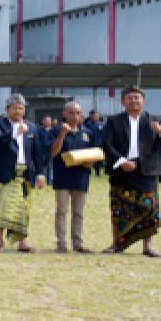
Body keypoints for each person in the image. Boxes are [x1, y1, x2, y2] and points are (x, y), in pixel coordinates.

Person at [101, 86, 161, 257]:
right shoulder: (113, 121)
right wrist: (121, 161)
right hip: (122, 169)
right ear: (123, 101)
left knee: (149, 208)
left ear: (143, 101)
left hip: (147, 171)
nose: (133, 101)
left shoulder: (155, 120)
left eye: (137, 98)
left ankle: (148, 246)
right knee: (119, 208)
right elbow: (106, 144)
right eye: (129, 98)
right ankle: (116, 244)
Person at [0, 94, 47, 252]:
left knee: (23, 208)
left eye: (21, 108)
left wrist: (40, 173)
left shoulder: (32, 127)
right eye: (15, 108)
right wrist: (15, 132)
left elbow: (37, 153)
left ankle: (22, 243)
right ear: (7, 109)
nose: (18, 111)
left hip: (24, 173)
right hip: (3, 173)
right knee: (0, 206)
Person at [48, 101, 97, 254]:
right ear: (64, 114)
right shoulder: (56, 131)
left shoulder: (88, 133)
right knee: (61, 211)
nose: (75, 116)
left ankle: (78, 243)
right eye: (71, 112)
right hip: (62, 176)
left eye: (78, 113)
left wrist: (91, 163)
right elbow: (53, 152)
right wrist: (63, 133)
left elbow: (95, 152)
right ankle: (61, 244)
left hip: (81, 176)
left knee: (79, 212)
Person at [84, 110, 104, 177]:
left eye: (97, 116)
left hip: (99, 144)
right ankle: (88, 172)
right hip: (90, 144)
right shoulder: (88, 124)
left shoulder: (101, 124)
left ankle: (98, 172)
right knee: (90, 159)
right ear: (91, 116)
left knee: (98, 159)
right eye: (95, 116)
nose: (96, 117)